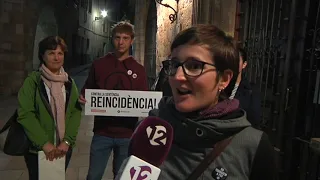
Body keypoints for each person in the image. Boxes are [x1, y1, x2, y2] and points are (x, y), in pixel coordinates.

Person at [147, 25, 277, 179]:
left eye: (194, 66)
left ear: (223, 79)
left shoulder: (253, 146)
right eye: (174, 65)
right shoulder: (150, 129)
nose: (177, 76)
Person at [78, 21, 148, 179]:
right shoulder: (99, 64)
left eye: (125, 38)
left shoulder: (139, 69)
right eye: (117, 38)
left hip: (127, 134)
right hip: (102, 132)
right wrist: (83, 98)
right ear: (112, 39)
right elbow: (87, 90)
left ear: (132, 40)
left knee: (121, 175)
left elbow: (143, 99)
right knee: (94, 175)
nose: (121, 42)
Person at [17, 36, 82, 180]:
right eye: (51, 53)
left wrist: (67, 141)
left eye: (60, 53)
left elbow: (75, 112)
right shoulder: (33, 81)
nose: (56, 57)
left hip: (63, 149)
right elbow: (25, 114)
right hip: (38, 150)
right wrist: (44, 143)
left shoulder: (69, 83)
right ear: (42, 56)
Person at [229, 47, 262, 128]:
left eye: (236, 61)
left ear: (244, 64)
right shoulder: (220, 85)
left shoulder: (251, 91)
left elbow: (254, 120)